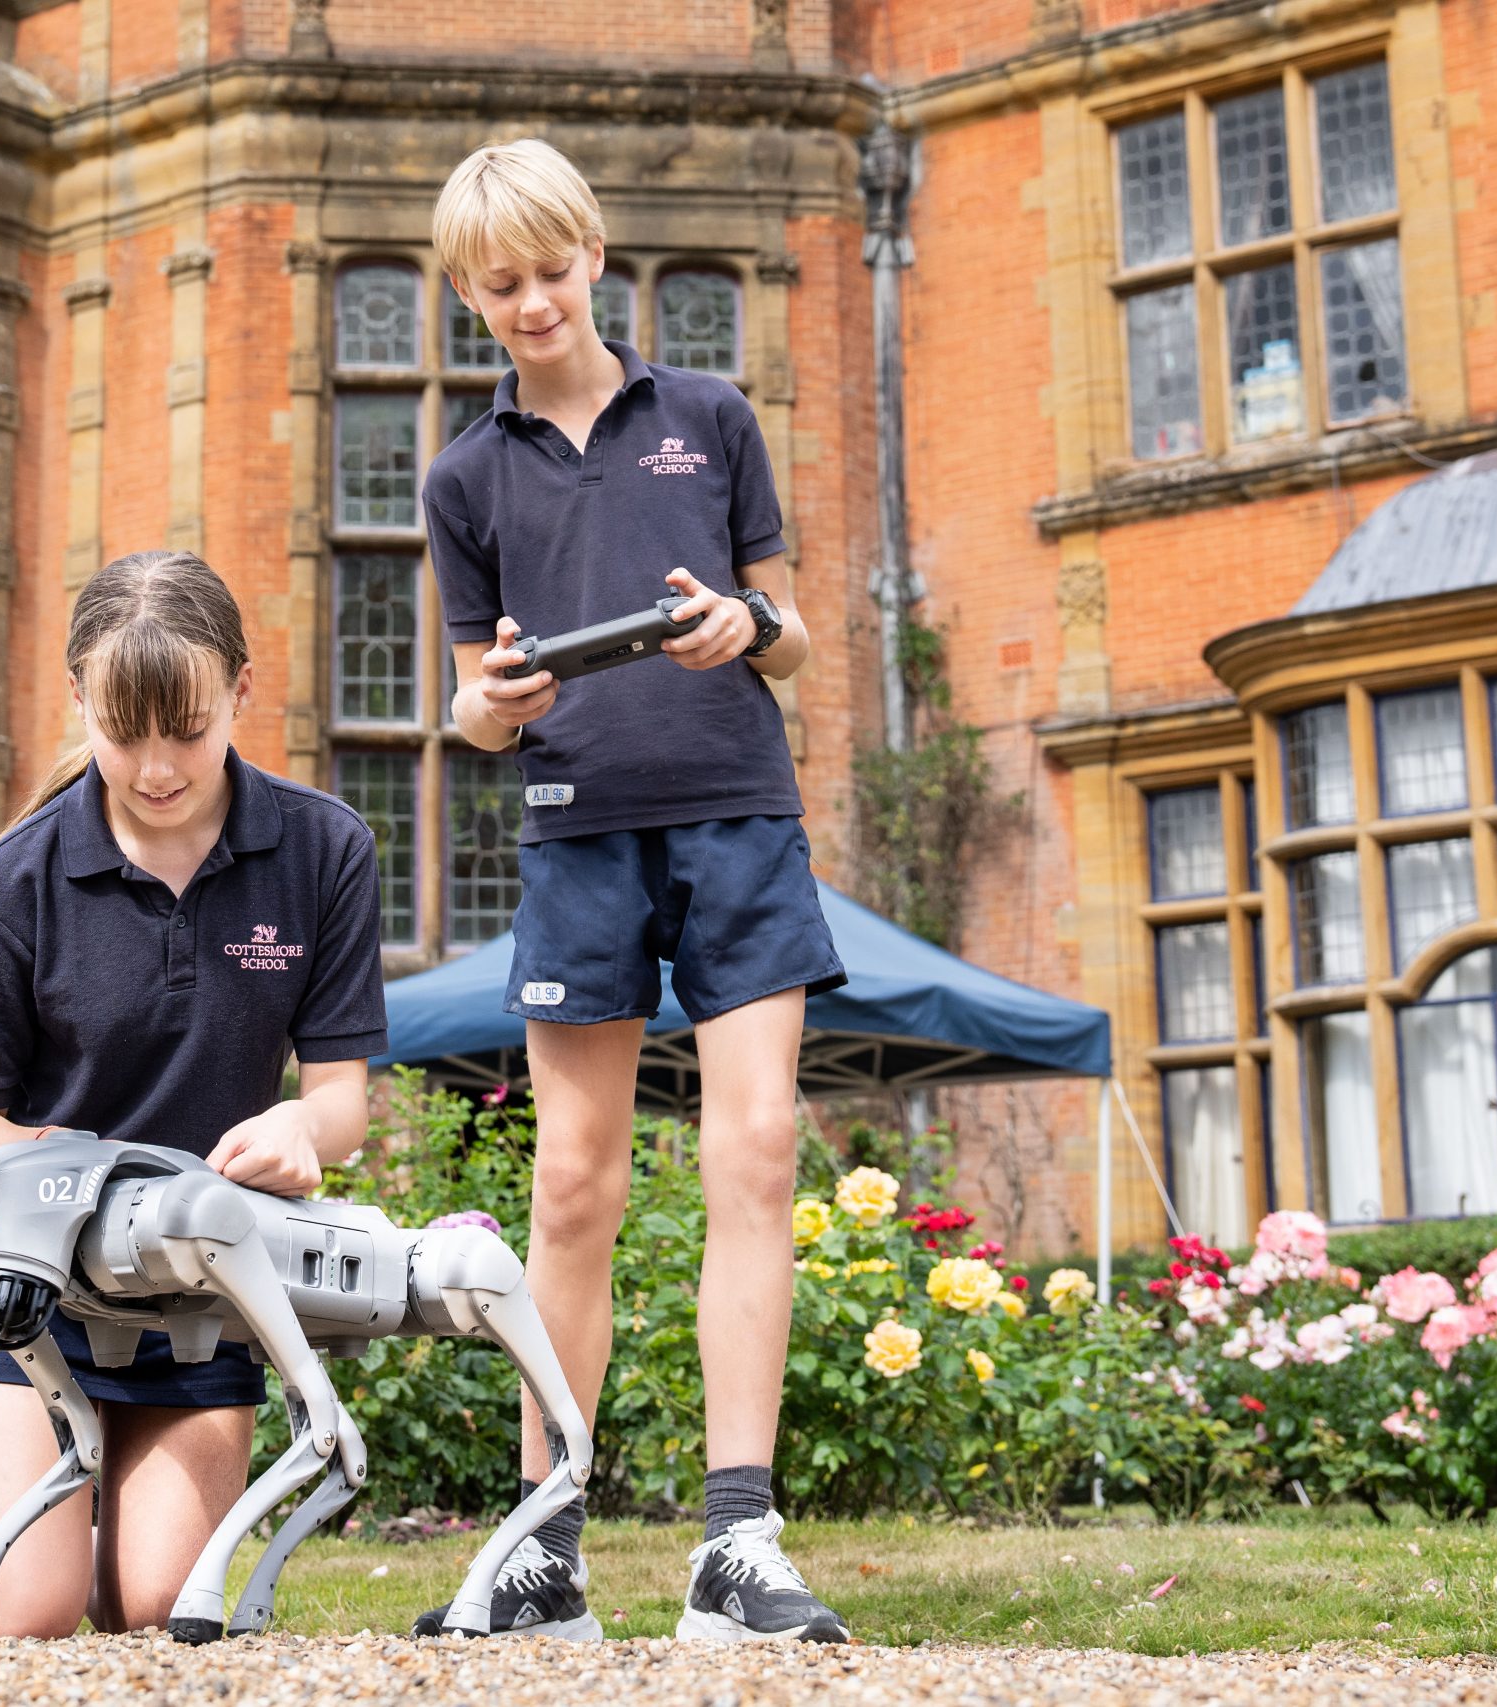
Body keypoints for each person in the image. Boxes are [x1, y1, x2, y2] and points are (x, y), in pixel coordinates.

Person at [0, 549, 389, 1639]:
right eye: (122, 731)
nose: (156, 766)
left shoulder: (324, 851)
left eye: (186, 729)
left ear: (241, 690)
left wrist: (301, 1124)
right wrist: (57, 1168)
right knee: (33, 1613)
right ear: (78, 699)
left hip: (195, 1279)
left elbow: (340, 1102)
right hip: (21, 1270)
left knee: (155, 1606)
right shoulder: (18, 878)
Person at [411, 139, 851, 1645]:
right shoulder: (463, 478)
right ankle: (544, 1548)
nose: (533, 302)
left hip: (738, 816)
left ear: (594, 254)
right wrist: (496, 704)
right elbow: (471, 707)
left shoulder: (711, 417)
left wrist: (747, 624)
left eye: (552, 270)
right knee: (572, 1183)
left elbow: (797, 636)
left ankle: (739, 1542)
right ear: (469, 293)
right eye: (501, 285)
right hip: (576, 834)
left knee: (758, 1152)